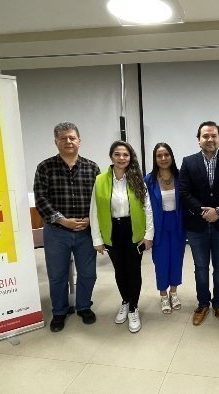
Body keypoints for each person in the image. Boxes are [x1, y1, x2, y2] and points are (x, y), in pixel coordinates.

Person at [33, 122, 100, 332]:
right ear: (56, 142)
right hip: (56, 232)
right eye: (63, 138)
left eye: (72, 138)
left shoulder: (92, 168)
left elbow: (99, 200)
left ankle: (83, 307)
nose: (68, 141)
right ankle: (60, 312)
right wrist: (62, 220)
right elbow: (41, 200)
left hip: (85, 231)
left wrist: (91, 220)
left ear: (79, 141)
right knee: (57, 275)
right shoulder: (45, 167)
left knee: (88, 274)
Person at [178, 121, 219, 326]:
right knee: (201, 267)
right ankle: (203, 303)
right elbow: (184, 193)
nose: (210, 139)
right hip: (197, 226)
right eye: (205, 136)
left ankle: (218, 304)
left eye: (214, 136)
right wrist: (203, 211)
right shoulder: (188, 162)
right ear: (198, 140)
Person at [90, 141, 153, 333]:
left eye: (125, 155)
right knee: (119, 270)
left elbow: (147, 209)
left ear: (130, 157)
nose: (121, 158)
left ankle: (133, 308)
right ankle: (125, 301)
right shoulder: (100, 180)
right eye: (117, 154)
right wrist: (97, 239)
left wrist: (149, 234)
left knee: (133, 271)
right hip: (112, 231)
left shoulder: (137, 180)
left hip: (133, 230)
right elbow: (94, 211)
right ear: (111, 157)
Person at [144, 143, 185, 314]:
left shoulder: (181, 176)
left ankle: (173, 293)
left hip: (177, 224)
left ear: (171, 156)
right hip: (158, 225)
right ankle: (163, 295)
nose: (163, 158)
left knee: (176, 259)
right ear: (155, 159)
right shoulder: (149, 180)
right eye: (159, 156)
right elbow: (145, 207)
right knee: (161, 261)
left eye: (166, 154)